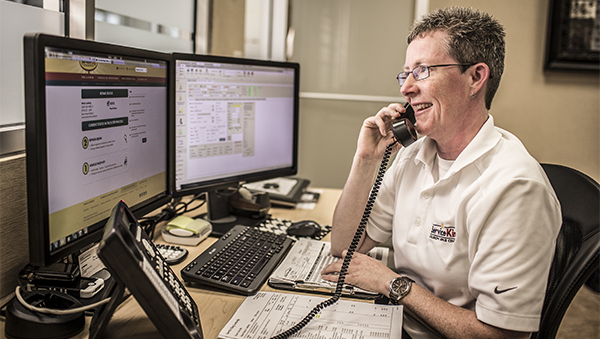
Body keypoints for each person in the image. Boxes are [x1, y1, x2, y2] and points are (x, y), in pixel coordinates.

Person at [321, 6, 562, 339]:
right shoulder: (414, 155)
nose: (406, 88)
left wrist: (390, 282)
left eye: (422, 71)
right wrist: (366, 159)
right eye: (405, 73)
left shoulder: (515, 187)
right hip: (386, 322)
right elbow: (345, 245)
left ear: (476, 77)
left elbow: (499, 335)